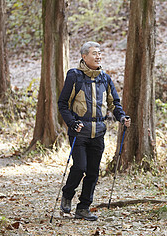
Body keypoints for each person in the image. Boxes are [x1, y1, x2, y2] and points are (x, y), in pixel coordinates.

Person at [57, 41, 131, 220]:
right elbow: (63, 104)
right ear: (84, 57)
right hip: (79, 132)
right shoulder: (74, 76)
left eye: (99, 53)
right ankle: (67, 195)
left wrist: (122, 117)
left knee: (93, 172)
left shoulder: (104, 78)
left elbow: (114, 103)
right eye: (94, 53)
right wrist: (72, 123)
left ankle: (83, 208)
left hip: (98, 132)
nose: (98, 56)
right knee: (80, 167)